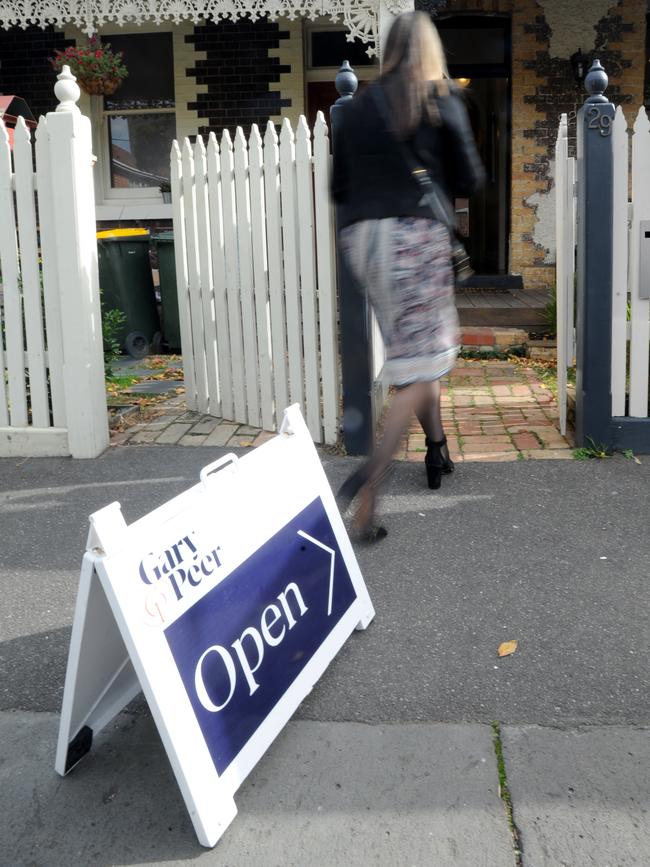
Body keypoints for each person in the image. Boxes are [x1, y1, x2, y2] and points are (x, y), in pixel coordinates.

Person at [331, 10, 484, 541]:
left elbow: (338, 187)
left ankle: (436, 451)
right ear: (429, 49)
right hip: (413, 239)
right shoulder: (439, 98)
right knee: (423, 365)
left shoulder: (355, 108)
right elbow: (471, 177)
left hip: (361, 241)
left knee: (416, 355)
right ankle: (368, 487)